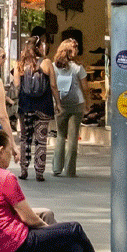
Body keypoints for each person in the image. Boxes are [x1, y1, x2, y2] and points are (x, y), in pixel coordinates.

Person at [15, 39, 56, 181]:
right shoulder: (46, 63)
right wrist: (58, 103)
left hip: (25, 106)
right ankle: (39, 172)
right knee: (41, 140)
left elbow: (16, 85)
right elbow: (53, 85)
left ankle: (24, 169)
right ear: (39, 47)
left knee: (25, 138)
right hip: (44, 106)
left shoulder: (20, 64)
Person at [49, 38, 87, 177]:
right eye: (75, 49)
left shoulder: (53, 67)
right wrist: (87, 103)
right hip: (76, 104)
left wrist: (56, 102)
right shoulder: (78, 68)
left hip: (61, 104)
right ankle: (70, 170)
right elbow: (85, 87)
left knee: (60, 135)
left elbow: (52, 85)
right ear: (72, 51)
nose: (77, 51)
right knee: (73, 137)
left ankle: (57, 168)